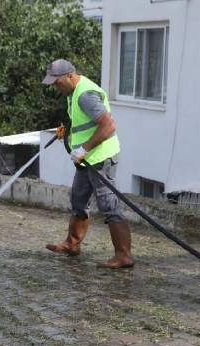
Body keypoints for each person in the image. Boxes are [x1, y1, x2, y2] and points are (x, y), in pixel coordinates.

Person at [42, 59, 135, 269]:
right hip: (87, 160)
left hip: (100, 158)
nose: (56, 87)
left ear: (69, 76)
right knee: (78, 199)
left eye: (57, 83)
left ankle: (124, 255)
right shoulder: (73, 92)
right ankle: (72, 244)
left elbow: (109, 125)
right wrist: (66, 132)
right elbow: (83, 120)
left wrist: (84, 149)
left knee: (109, 206)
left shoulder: (85, 94)